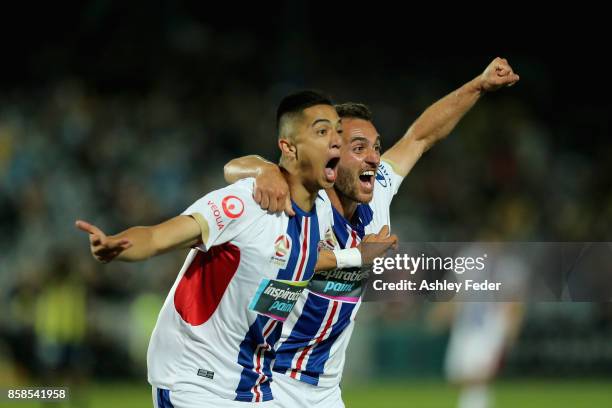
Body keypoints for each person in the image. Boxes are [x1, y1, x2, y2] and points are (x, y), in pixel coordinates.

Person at [224, 57, 519, 407]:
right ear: (330, 153)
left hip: (325, 390)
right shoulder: (300, 196)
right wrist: (262, 169)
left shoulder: (378, 190)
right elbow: (232, 169)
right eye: (359, 148)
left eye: (376, 148)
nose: (375, 158)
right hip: (268, 380)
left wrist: (479, 85)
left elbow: (420, 136)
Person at [76, 90, 397, 407]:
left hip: (250, 385)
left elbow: (267, 299)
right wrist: (117, 245)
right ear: (289, 147)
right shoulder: (249, 202)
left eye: (339, 133)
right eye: (323, 131)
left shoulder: (315, 222)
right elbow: (159, 237)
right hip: (196, 381)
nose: (336, 142)